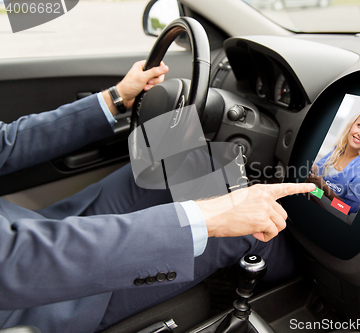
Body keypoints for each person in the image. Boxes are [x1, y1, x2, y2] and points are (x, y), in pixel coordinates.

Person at [0, 60, 315, 332]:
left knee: (195, 165)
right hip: (34, 297)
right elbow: (16, 261)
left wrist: (116, 98)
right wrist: (210, 216)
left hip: (31, 230)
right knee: (243, 230)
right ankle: (312, 289)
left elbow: (5, 144)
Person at [306, 105, 360, 214]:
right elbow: (318, 176)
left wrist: (325, 188)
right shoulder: (340, 148)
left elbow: (346, 210)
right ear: (352, 124)